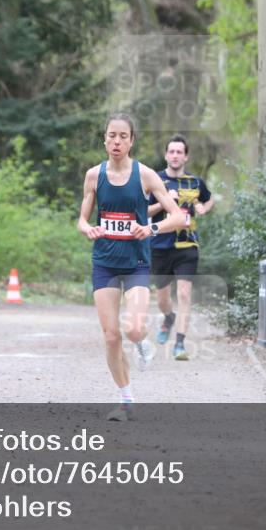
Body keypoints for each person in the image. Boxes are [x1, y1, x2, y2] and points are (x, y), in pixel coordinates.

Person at [77, 113, 186, 421]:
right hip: (105, 263)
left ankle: (142, 343)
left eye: (123, 136)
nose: (116, 141)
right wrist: (88, 228)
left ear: (131, 140)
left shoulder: (146, 175)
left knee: (134, 329)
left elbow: (177, 217)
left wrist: (150, 229)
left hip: (137, 262)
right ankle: (125, 400)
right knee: (111, 336)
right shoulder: (92, 175)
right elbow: (83, 219)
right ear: (104, 139)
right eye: (112, 135)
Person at [147, 135, 214, 361]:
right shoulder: (154, 180)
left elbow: (209, 198)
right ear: (166, 155)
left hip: (187, 244)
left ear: (185, 156)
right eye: (171, 152)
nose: (175, 155)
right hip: (160, 245)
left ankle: (180, 344)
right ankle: (168, 318)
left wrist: (204, 208)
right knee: (163, 298)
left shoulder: (195, 182)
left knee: (184, 294)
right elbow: (143, 212)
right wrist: (165, 200)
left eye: (179, 152)